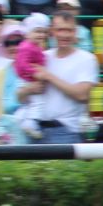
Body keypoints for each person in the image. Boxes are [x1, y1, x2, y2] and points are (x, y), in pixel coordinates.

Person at [18, 10, 96, 144]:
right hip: (37, 128)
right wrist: (29, 89)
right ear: (52, 31)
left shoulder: (87, 59)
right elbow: (20, 97)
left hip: (66, 130)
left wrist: (48, 76)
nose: (64, 35)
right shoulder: (42, 56)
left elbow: (82, 95)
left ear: (75, 31)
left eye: (69, 30)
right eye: (60, 30)